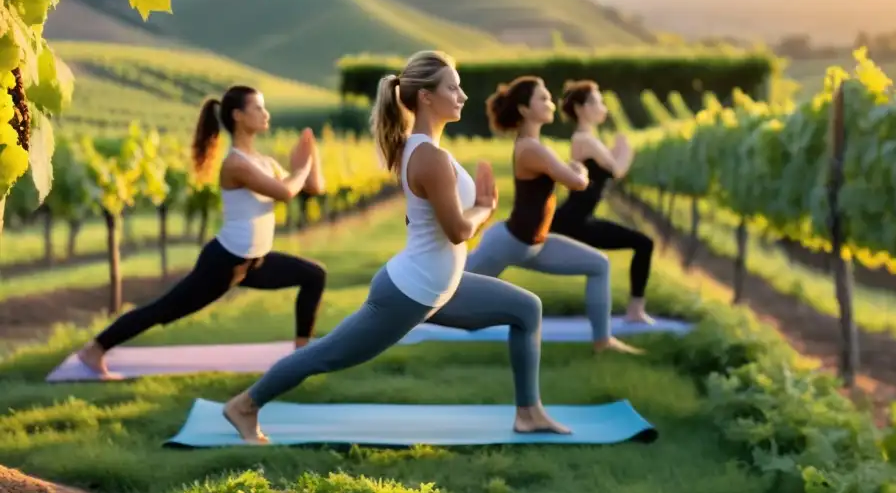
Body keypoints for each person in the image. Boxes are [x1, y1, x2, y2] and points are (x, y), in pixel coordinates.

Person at [222, 51, 570, 444]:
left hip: (441, 287)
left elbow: (419, 218)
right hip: (408, 293)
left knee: (527, 309)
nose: (463, 96)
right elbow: (458, 231)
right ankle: (245, 405)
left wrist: (473, 210)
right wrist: (484, 209)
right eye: (453, 88)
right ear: (425, 97)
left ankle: (529, 413)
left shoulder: (423, 149)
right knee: (326, 355)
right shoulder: (428, 156)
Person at [76, 85, 329, 380]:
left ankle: (300, 355)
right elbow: (286, 191)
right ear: (237, 116)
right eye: (258, 108)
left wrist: (311, 153)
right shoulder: (236, 163)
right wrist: (301, 168)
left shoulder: (264, 161)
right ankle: (94, 349)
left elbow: (313, 188)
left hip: (254, 262)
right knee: (164, 310)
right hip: (224, 263)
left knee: (315, 275)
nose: (266, 113)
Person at [464, 76, 641, 355]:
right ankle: (402, 310)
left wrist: (572, 168)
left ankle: (603, 342)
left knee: (599, 265)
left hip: (535, 244)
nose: (551, 103)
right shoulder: (530, 148)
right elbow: (577, 182)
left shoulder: (536, 146)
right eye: (543, 98)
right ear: (524, 110)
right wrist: (578, 170)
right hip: (509, 242)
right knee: (448, 292)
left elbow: (566, 172)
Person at [550, 80, 655, 324]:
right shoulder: (585, 140)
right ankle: (635, 310)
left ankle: (636, 309)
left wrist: (617, 151)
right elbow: (617, 170)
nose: (602, 106)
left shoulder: (590, 140)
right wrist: (625, 150)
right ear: (581, 108)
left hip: (579, 218)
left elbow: (608, 168)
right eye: (597, 101)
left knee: (643, 244)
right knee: (644, 244)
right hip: (574, 220)